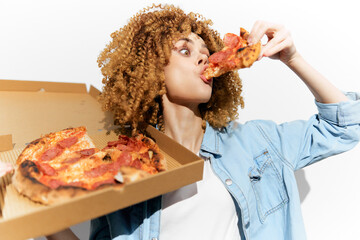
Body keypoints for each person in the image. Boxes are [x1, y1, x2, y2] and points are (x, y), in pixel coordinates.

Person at [47, 4, 360, 240]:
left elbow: (346, 126)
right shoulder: (118, 168)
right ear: (151, 70)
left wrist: (293, 59)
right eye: (185, 50)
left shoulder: (256, 143)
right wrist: (46, 220)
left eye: (206, 52)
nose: (203, 58)